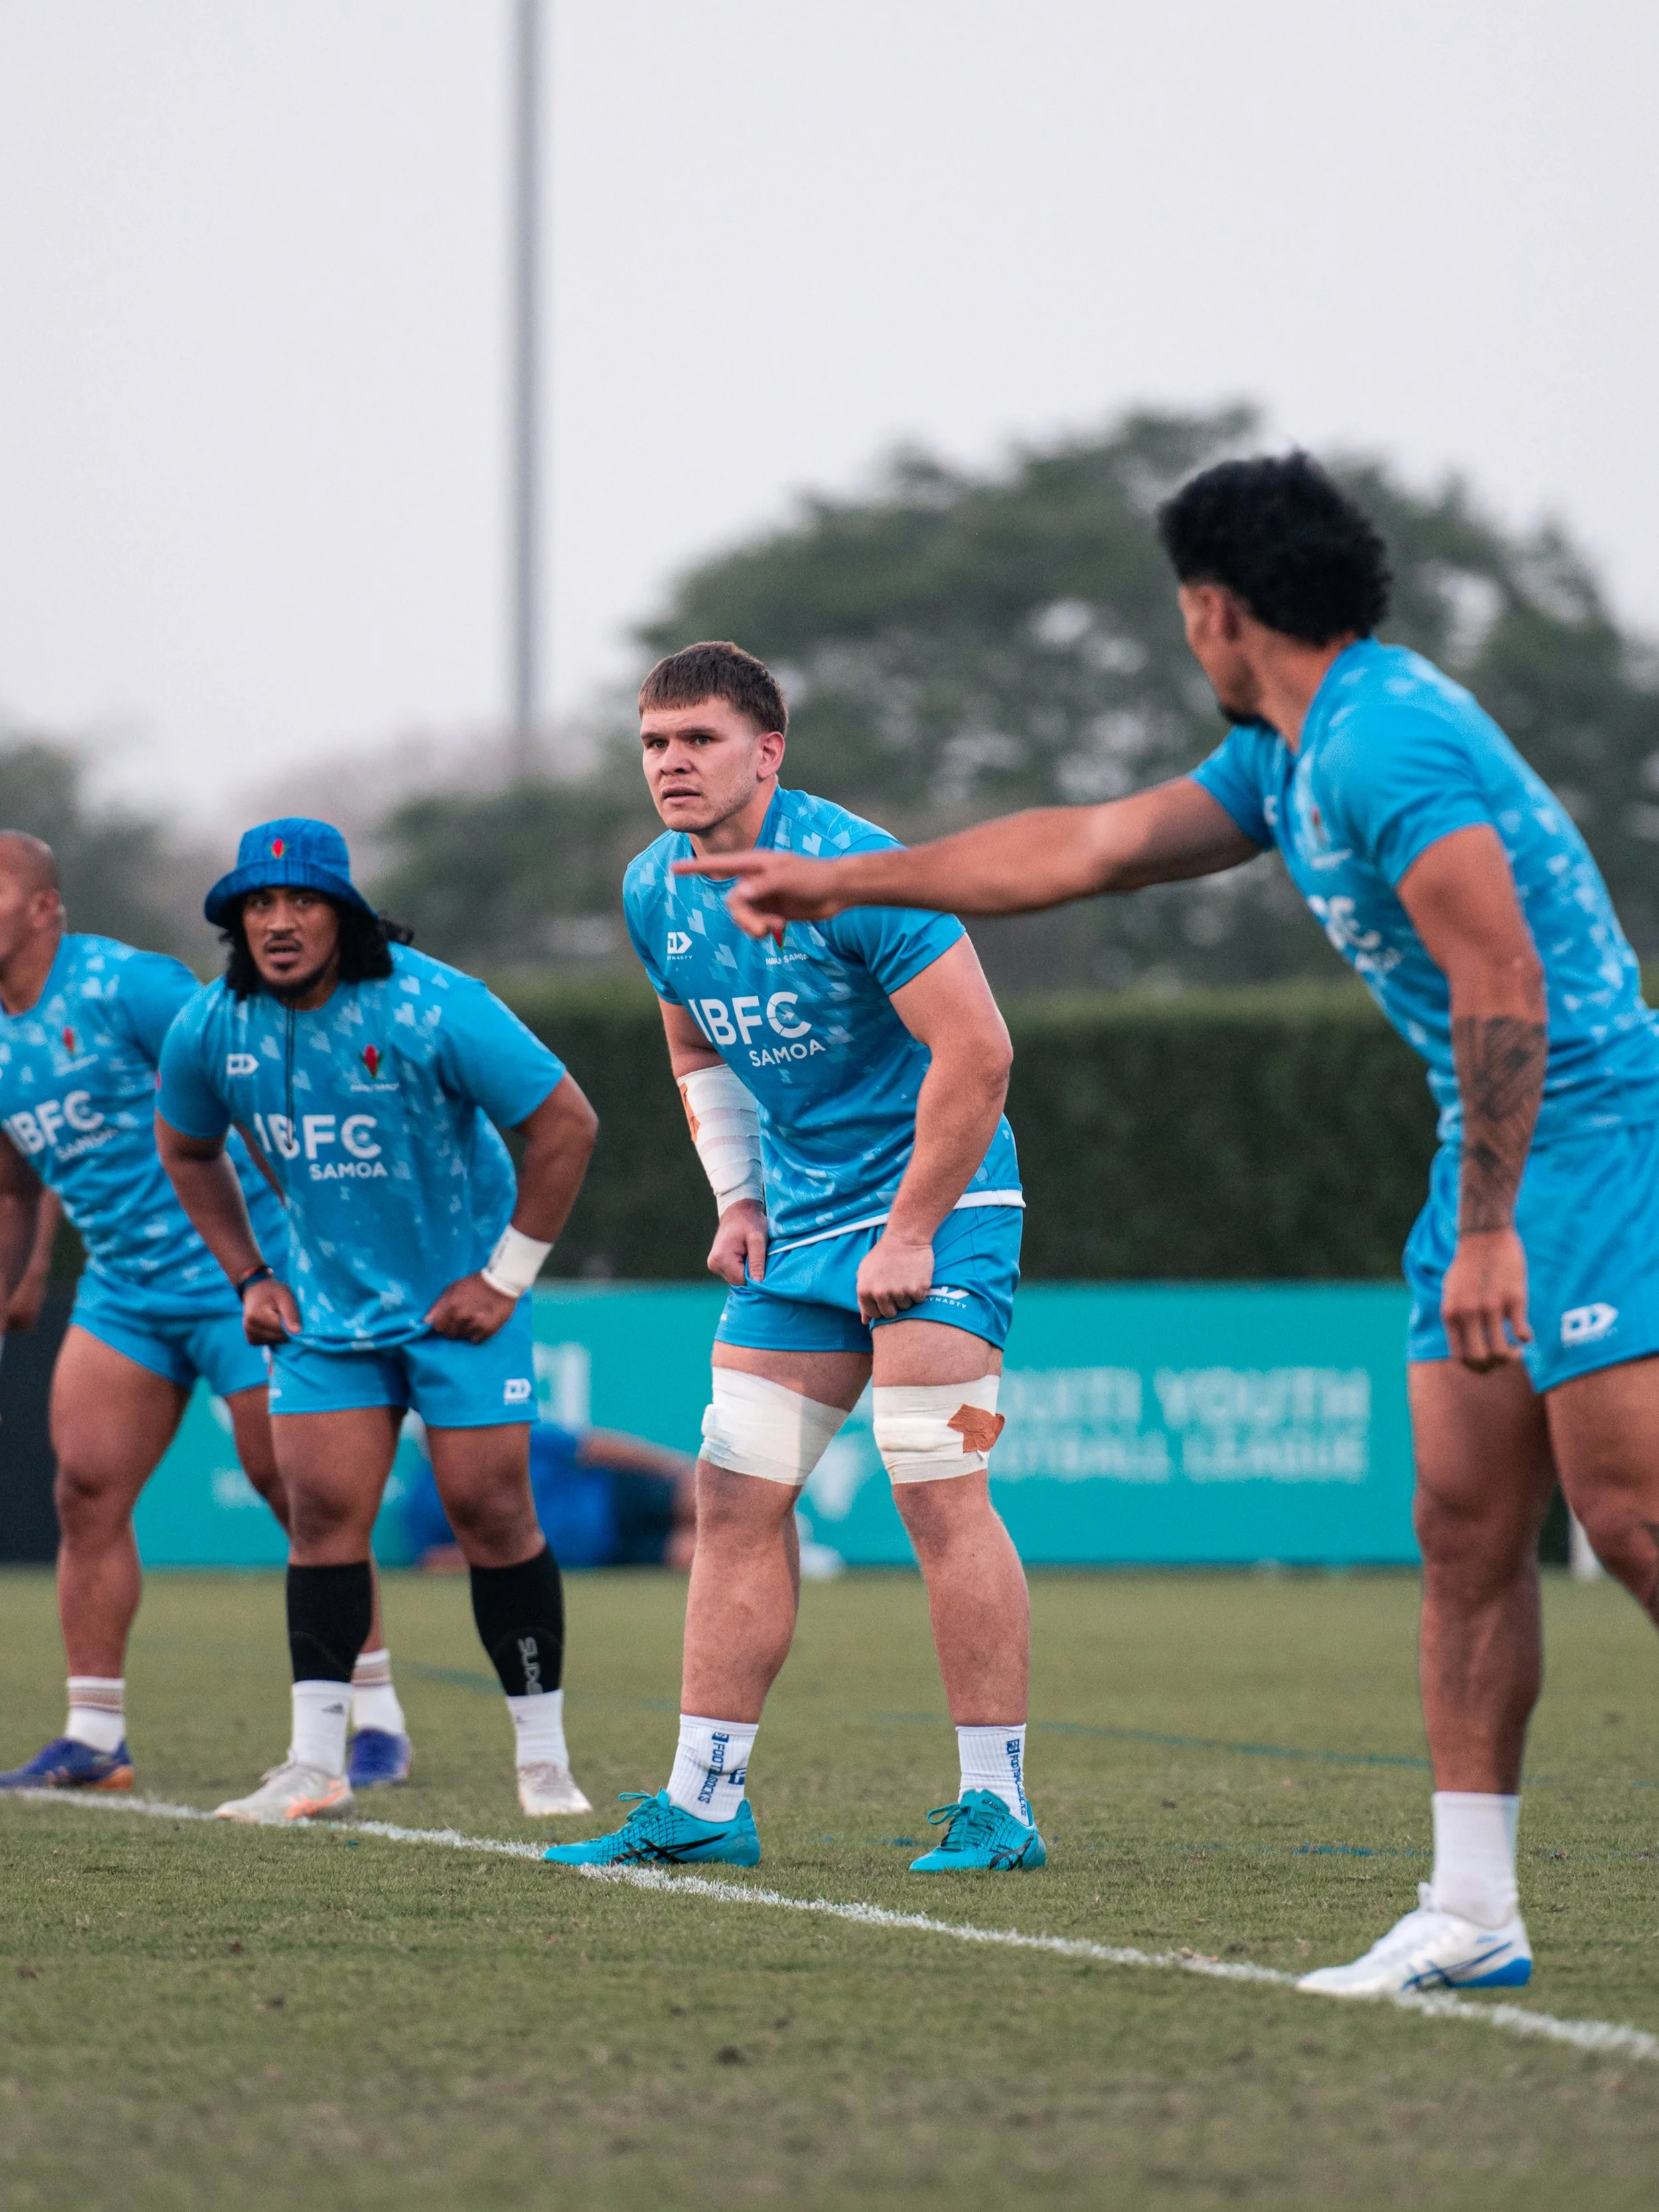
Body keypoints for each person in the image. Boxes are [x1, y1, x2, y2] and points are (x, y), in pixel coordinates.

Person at [678, 453, 1659, 1992]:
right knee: (1467, 1530)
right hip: (1496, 1145)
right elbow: (1080, 849)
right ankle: (1472, 1911)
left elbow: (1504, 982)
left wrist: (1487, 1230)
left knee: (1630, 1519)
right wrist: (844, 879)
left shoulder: (1387, 743)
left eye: (1180, 613)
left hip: (1595, 1142)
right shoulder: (1286, 753)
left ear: (1217, 607)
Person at [547, 640, 1042, 1876]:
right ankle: (706, 1799)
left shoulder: (860, 871)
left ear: (766, 751)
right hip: (803, 1227)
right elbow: (695, 1045)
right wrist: (739, 1195)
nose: (672, 762)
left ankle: (1001, 1806)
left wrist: (914, 1227)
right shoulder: (652, 887)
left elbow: (979, 1054)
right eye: (656, 742)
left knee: (936, 1480)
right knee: (731, 1495)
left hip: (947, 1202)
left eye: (699, 739)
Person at [155, 817, 599, 1823]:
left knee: (492, 1514)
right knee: (320, 1521)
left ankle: (543, 1764)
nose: (277, 922)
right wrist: (250, 1277)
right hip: (323, 1315)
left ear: (343, 912)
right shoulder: (210, 1026)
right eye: (257, 906)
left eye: (300, 901)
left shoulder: (435, 1003)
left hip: (460, 1310)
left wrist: (506, 1277)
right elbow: (185, 1147)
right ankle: (314, 1764)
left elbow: (566, 1122)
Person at [0, 831, 411, 1797]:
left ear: (45, 908)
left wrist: (315, 1237)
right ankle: (94, 1732)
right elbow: (14, 1179)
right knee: (85, 1491)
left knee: (301, 1495)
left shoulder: (125, 986)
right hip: (124, 1290)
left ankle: (376, 1715)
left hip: (245, 1276)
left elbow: (255, 1077)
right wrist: (18, 1276)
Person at [405, 1418, 697, 1572]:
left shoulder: (514, 1437)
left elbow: (593, 1446)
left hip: (615, 1496)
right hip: (602, 1554)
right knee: (690, 1555)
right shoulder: (424, 1499)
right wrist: (504, 1555)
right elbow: (432, 1560)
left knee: (699, 1498)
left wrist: (672, 1465)